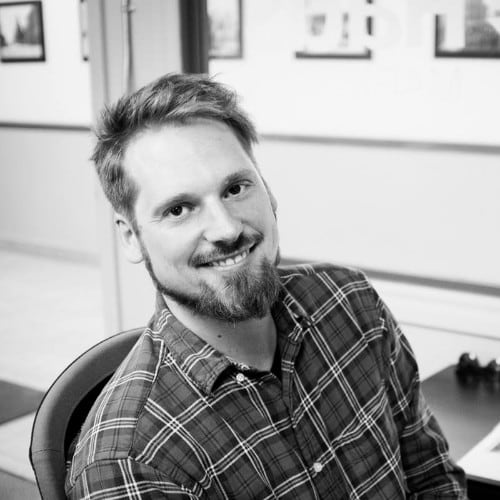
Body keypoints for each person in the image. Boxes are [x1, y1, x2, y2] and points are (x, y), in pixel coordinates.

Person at [66, 73, 467, 499]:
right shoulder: (130, 463)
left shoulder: (351, 302)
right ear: (131, 237)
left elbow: (431, 476)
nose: (226, 229)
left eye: (235, 188)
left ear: (268, 191)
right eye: (179, 209)